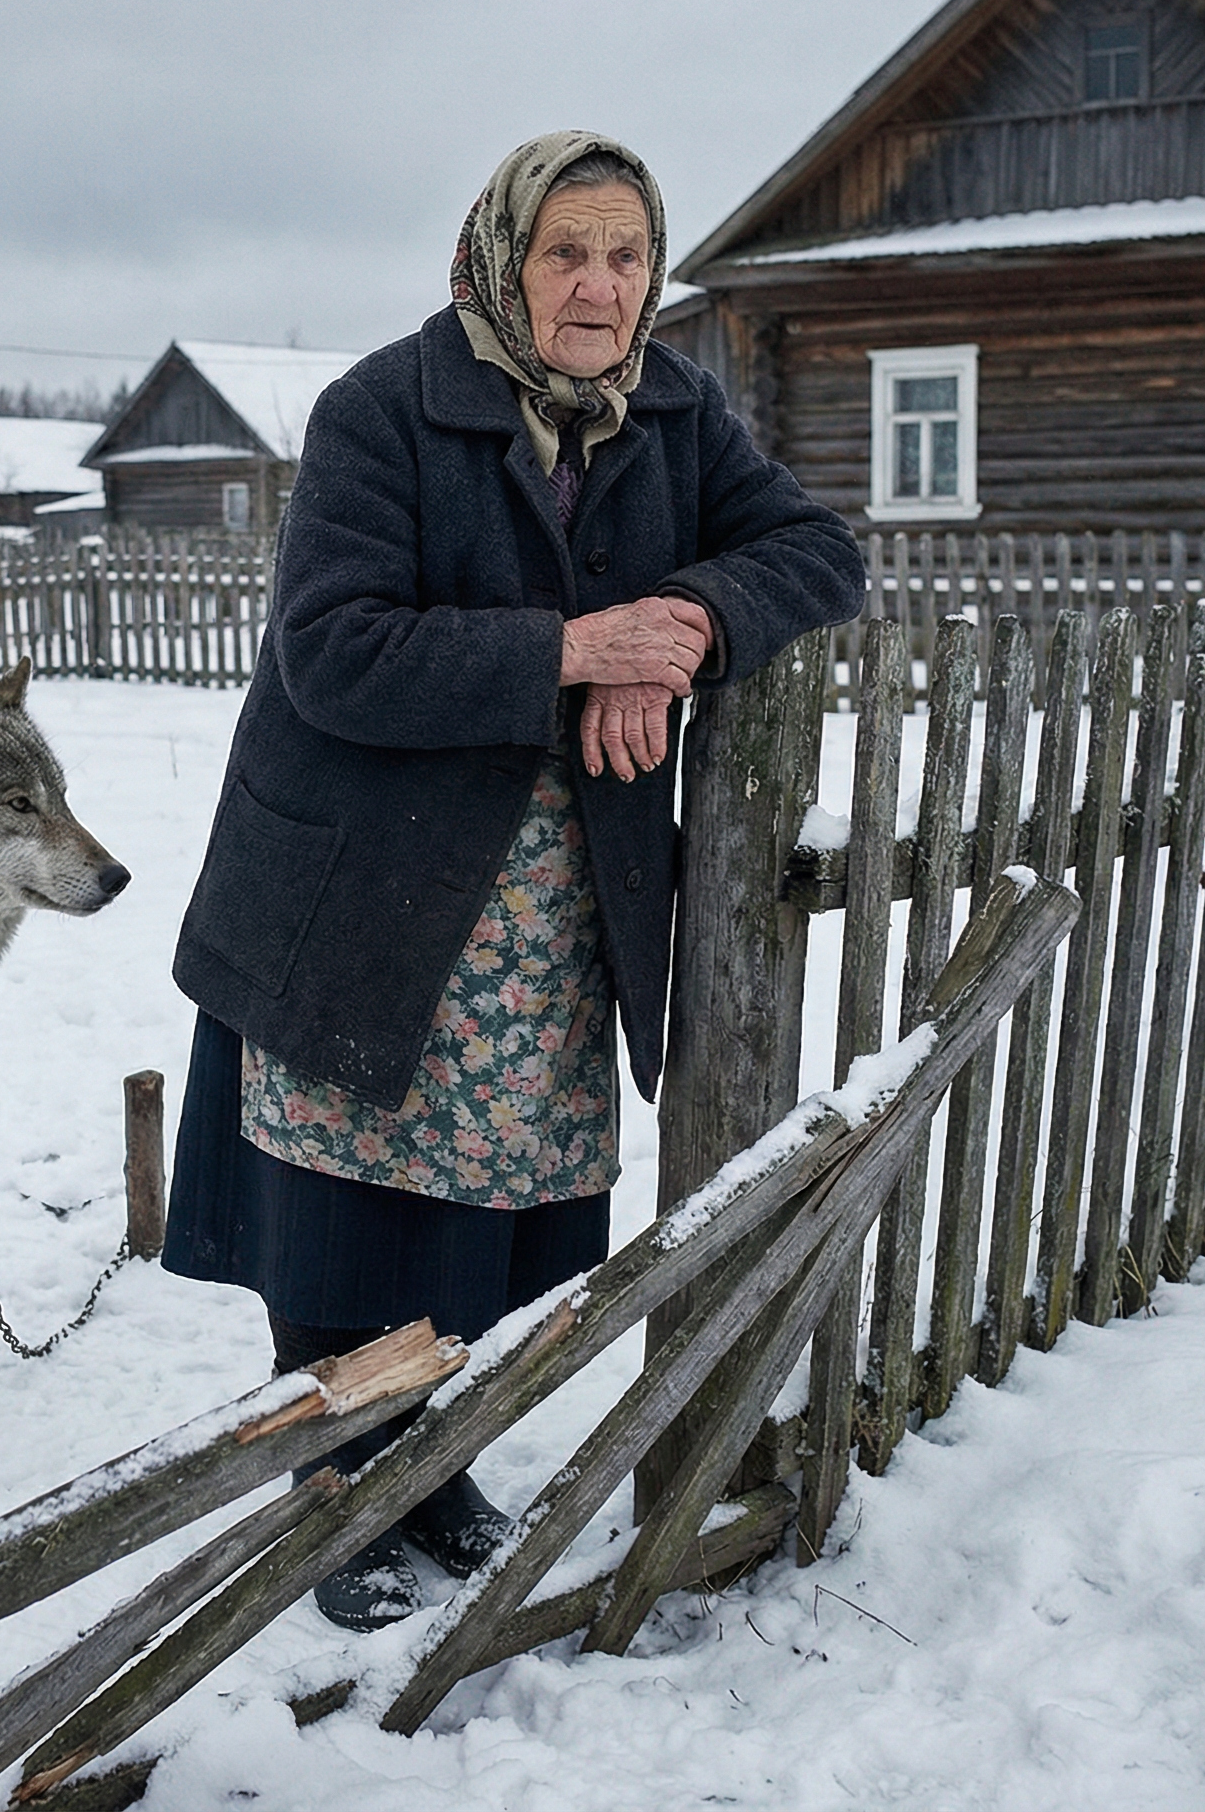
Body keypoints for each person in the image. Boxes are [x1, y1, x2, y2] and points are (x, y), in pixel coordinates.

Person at [163, 130, 866, 1629]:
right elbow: (335, 648)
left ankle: (430, 1458)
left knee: (481, 1209)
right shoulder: (384, 411)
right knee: (343, 1201)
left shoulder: (672, 413)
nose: (600, 287)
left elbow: (816, 552)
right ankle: (338, 1493)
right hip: (364, 879)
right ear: (497, 258)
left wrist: (680, 616)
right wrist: (571, 652)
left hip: (549, 900)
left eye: (625, 256)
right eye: (567, 253)